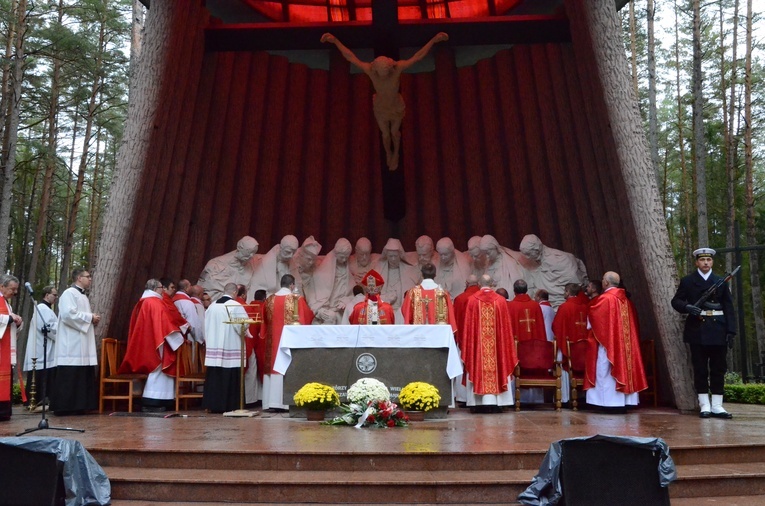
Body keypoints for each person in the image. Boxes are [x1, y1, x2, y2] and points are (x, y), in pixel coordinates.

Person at [321, 32, 449, 171]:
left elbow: (417, 56)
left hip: (395, 106)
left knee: (394, 132)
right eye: (381, 73)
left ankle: (396, 154)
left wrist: (434, 40)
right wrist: (335, 41)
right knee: (385, 134)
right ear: (376, 70)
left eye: (386, 73)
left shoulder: (396, 69)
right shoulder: (371, 70)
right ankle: (389, 153)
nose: (384, 75)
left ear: (389, 69)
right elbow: (350, 57)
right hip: (381, 107)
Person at [671, 248, 736, 419]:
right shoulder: (688, 281)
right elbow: (676, 300)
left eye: (708, 259)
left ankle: (717, 405)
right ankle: (704, 404)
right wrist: (687, 307)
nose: (706, 262)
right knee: (700, 369)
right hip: (697, 330)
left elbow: (728, 307)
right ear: (696, 262)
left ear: (712, 262)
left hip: (718, 329)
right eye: (702, 260)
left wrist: (731, 330)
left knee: (718, 368)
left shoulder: (720, 281)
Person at [119, 279, 188, 411]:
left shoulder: (143, 301)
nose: (163, 291)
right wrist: (177, 339)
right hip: (155, 342)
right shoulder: (155, 303)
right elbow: (165, 324)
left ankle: (161, 399)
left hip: (147, 341)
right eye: (162, 288)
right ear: (157, 288)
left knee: (157, 372)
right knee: (158, 370)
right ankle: (154, 400)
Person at [585, 271, 647, 410]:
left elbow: (594, 318)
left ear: (606, 283)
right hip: (625, 344)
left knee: (604, 369)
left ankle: (607, 403)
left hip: (609, 343)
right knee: (626, 367)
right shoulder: (626, 301)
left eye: (602, 279)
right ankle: (626, 401)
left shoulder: (605, 298)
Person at [461, 274, 518, 411]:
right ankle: (498, 403)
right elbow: (506, 330)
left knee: (478, 363)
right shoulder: (500, 301)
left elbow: (468, 330)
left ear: (479, 285)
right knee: (498, 361)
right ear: (492, 284)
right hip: (496, 348)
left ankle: (477, 403)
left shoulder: (472, 301)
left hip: (478, 349)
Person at [50, 268, 100, 415]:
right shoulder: (69, 293)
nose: (90, 279)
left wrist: (91, 319)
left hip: (81, 341)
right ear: (79, 278)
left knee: (81, 373)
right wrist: (90, 317)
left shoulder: (82, 296)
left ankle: (79, 405)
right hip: (70, 342)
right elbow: (67, 314)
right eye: (87, 276)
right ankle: (64, 407)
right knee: (70, 374)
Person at [260, 274, 314, 411]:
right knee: (287, 364)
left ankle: (271, 402)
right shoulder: (297, 299)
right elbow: (306, 317)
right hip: (290, 342)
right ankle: (287, 403)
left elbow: (264, 322)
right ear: (292, 285)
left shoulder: (269, 300)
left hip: (272, 343)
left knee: (273, 365)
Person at [203, 283, 251, 413]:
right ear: (235, 293)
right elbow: (241, 326)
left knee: (215, 376)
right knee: (230, 375)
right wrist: (246, 329)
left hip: (214, 346)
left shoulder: (212, 306)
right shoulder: (235, 305)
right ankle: (230, 405)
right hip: (231, 346)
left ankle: (213, 405)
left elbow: (205, 326)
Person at [517, 234, 588, 308]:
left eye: (528, 254)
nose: (527, 257)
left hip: (562, 303)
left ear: (537, 249)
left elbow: (573, 281)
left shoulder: (560, 260)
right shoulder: (535, 263)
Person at [507, 279, 547, 404]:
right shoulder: (535, 305)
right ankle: (536, 399)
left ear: (514, 291)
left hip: (518, 347)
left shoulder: (511, 306)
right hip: (535, 347)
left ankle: (516, 399)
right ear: (527, 290)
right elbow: (541, 328)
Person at [23, 285, 58, 405]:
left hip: (46, 347)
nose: (56, 298)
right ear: (47, 295)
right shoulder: (42, 308)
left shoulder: (47, 309)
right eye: (54, 295)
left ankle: (42, 400)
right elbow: (46, 327)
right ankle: (36, 402)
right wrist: (61, 334)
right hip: (40, 348)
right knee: (40, 374)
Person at [198, 236, 259, 301]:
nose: (251, 256)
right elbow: (206, 291)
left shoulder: (250, 268)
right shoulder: (215, 264)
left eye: (254, 253)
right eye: (249, 252)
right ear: (240, 248)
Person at [310, 238, 354, 324]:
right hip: (326, 311)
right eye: (342, 257)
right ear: (336, 254)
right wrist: (320, 310)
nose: (344, 260)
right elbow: (315, 297)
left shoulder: (347, 270)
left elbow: (352, 293)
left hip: (341, 311)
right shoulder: (322, 272)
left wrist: (346, 300)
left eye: (346, 257)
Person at [401, 263, 457, 329]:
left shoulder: (412, 292)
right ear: (435, 275)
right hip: (438, 332)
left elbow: (406, 311)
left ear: (422, 274)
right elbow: (450, 314)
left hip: (418, 332)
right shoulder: (443, 293)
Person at [0, 275, 23, 420]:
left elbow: (10, 326)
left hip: (5, 348)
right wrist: (9, 319)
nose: (14, 293)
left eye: (16, 290)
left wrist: (18, 322)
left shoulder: (6, 304)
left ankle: (4, 411)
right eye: (12, 289)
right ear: (2, 286)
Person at [376, 238, 420, 310]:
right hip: (384, 311)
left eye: (395, 256)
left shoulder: (411, 271)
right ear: (386, 256)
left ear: (400, 255)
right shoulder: (379, 269)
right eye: (390, 256)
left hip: (403, 311)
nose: (393, 259)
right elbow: (372, 295)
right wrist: (386, 298)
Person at [173, 279, 204, 344]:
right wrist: (200, 340)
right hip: (188, 338)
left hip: (176, 337)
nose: (191, 287)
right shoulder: (187, 302)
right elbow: (193, 323)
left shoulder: (173, 300)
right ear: (186, 288)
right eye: (190, 286)